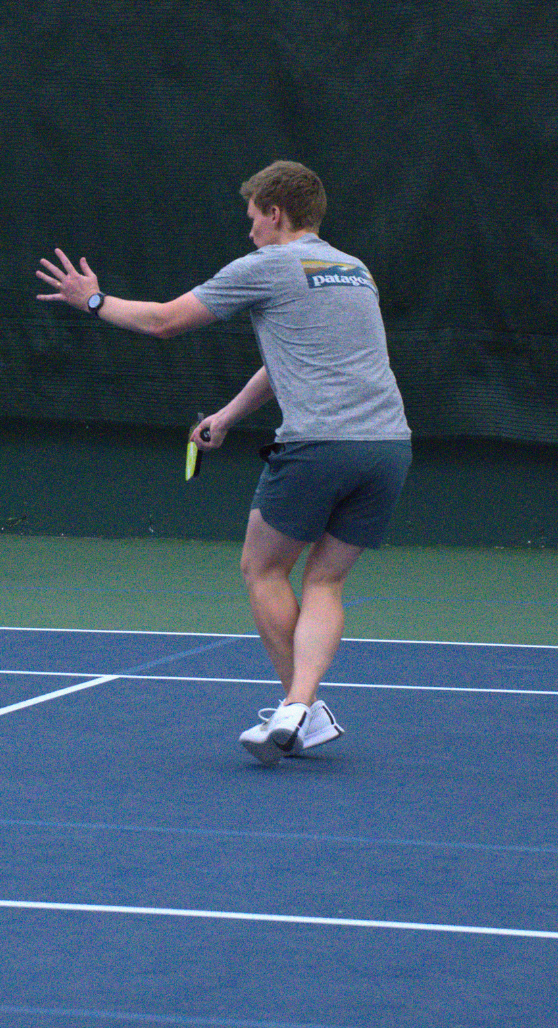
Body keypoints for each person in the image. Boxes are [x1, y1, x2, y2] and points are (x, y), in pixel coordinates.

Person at [35, 160, 411, 763]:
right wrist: (229, 415)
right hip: (388, 448)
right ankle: (303, 708)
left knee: (261, 569)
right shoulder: (352, 269)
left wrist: (94, 300)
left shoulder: (266, 265)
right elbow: (293, 355)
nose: (250, 232)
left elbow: (164, 322)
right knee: (325, 580)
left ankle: (299, 708)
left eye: (252, 219)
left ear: (275, 213)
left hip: (319, 446)